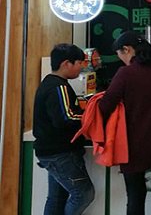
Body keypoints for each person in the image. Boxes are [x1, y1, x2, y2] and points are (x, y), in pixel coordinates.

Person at [99, 31, 151, 215]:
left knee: (135, 195)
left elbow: (105, 105)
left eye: (120, 55)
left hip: (134, 144)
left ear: (127, 50)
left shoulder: (125, 73)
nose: (121, 60)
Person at [33, 43, 95, 215]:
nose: (82, 67)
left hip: (51, 151)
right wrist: (90, 117)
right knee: (84, 193)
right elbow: (66, 117)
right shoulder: (59, 87)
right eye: (79, 63)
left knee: (56, 198)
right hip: (61, 153)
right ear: (67, 63)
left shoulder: (49, 83)